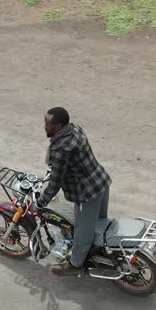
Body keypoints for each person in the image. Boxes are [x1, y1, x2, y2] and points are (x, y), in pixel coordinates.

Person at [38, 107, 111, 277]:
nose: (44, 126)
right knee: (97, 225)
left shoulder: (62, 148)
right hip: (100, 181)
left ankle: (75, 265)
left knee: (82, 233)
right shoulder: (75, 129)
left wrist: (40, 203)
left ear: (58, 125)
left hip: (86, 194)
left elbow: (55, 182)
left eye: (47, 124)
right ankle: (96, 253)